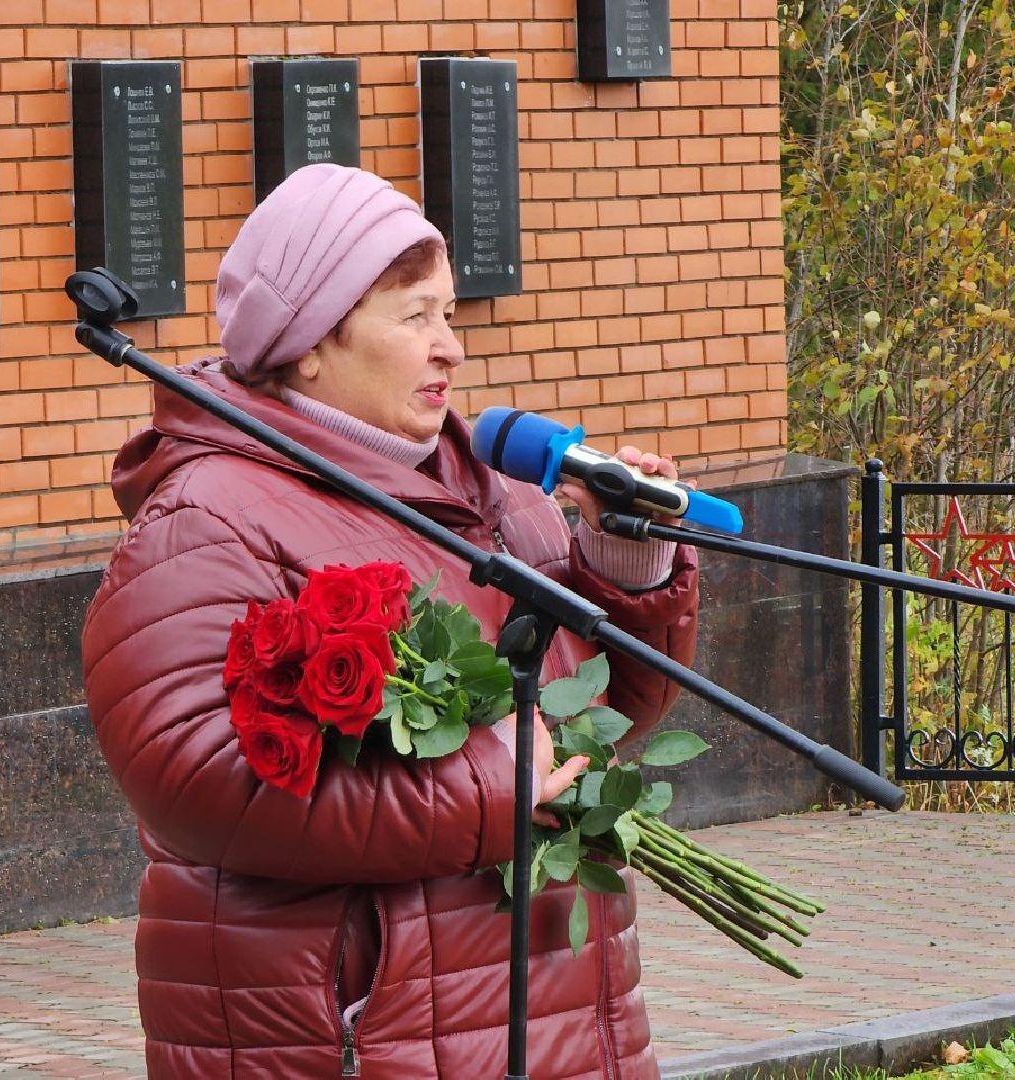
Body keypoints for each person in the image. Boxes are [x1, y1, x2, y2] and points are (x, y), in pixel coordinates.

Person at [82, 164, 697, 1079]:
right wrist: (496, 792)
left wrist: (625, 568)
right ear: (308, 346)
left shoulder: (508, 499)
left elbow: (596, 732)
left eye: (449, 315)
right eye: (415, 318)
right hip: (364, 1031)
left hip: (556, 1016)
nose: (448, 347)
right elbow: (198, 784)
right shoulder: (209, 518)